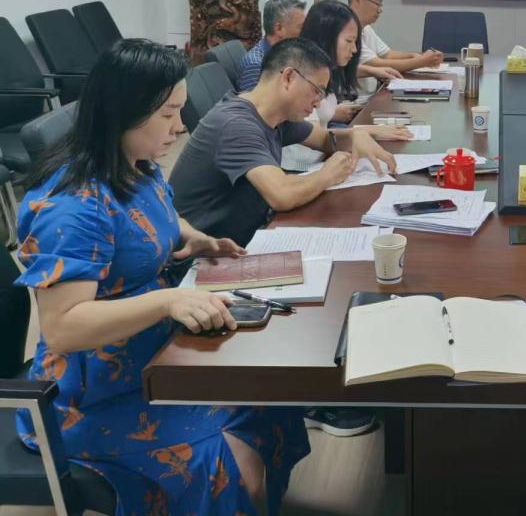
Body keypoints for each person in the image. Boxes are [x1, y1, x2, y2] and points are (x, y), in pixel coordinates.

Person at [15, 39, 309, 515]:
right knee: (228, 462)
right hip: (92, 393)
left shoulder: (135, 165)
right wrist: (166, 302)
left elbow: (159, 215)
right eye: (168, 114)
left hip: (154, 353)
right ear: (124, 113)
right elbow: (64, 327)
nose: (180, 126)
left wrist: (196, 238)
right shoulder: (72, 207)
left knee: (268, 398)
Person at [170, 37, 400, 248]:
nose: (318, 103)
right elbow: (282, 195)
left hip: (247, 235)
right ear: (289, 77)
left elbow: (323, 139)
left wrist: (354, 136)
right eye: (317, 91)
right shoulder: (236, 125)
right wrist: (328, 174)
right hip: (204, 257)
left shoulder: (275, 115)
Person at [347, 0, 444, 93]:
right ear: (358, 0)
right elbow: (375, 64)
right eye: (377, 3)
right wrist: (422, 61)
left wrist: (413, 56)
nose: (380, 9)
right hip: (357, 100)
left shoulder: (366, 28)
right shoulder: (346, 29)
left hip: (373, 94)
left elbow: (387, 54)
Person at [238, 0, 307, 91]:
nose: (305, 32)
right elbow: (252, 101)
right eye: (301, 27)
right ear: (279, 28)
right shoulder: (256, 65)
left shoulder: (286, 53)